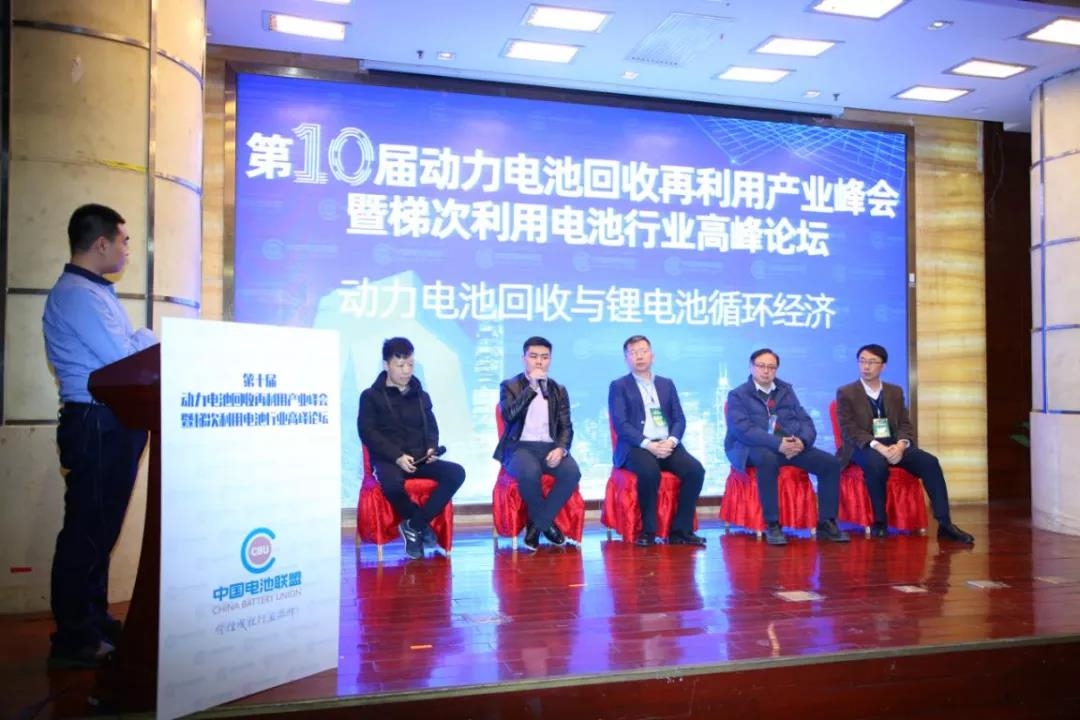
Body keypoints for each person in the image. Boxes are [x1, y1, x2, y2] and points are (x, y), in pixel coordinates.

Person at [42, 204, 159, 668]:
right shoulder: (77, 295)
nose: (129, 249)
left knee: (101, 529)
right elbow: (122, 356)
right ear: (101, 243)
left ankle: (93, 619)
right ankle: (74, 637)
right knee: (87, 532)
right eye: (125, 241)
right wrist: (144, 336)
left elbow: (128, 348)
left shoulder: (94, 292)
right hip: (94, 421)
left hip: (111, 420)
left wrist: (137, 339)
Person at [835, 344, 975, 544]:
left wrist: (901, 445)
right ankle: (880, 521)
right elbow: (849, 429)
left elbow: (904, 424)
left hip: (894, 445)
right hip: (863, 447)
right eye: (862, 361)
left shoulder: (894, 391)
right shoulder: (846, 392)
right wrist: (879, 447)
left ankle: (945, 524)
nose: (866, 366)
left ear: (883, 366)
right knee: (876, 463)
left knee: (929, 462)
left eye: (872, 362)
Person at [725, 348, 849, 546]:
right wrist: (778, 443)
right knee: (767, 459)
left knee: (830, 463)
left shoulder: (786, 390)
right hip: (751, 447)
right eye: (761, 366)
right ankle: (772, 523)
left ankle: (827, 522)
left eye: (771, 367)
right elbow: (743, 430)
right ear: (751, 367)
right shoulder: (738, 395)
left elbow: (804, 420)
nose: (766, 371)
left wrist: (802, 441)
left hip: (788, 446)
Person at [358, 337, 465, 559]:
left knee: (456, 473)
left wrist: (431, 448)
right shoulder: (370, 396)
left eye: (410, 364)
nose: (406, 371)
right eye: (400, 365)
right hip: (390, 460)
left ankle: (414, 525)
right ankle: (421, 527)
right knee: (391, 484)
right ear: (386, 365)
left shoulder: (420, 395)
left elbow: (432, 426)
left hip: (419, 459)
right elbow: (368, 433)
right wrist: (396, 456)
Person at [608, 335, 706, 547]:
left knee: (695, 471)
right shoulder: (619, 386)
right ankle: (648, 530)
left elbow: (679, 419)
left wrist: (671, 441)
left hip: (667, 443)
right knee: (649, 471)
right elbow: (621, 424)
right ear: (626, 359)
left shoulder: (666, 384)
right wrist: (648, 444)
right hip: (637, 446)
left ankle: (681, 531)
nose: (639, 356)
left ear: (652, 355)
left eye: (643, 351)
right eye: (633, 353)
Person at [494, 336, 581, 550]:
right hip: (519, 447)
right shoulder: (510, 385)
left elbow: (566, 426)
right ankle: (547, 525)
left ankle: (537, 524)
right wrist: (531, 388)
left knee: (572, 473)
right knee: (530, 472)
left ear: (550, 359)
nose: (539, 361)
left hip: (549, 447)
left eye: (544, 357)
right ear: (524, 358)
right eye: (533, 356)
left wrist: (561, 449)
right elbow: (509, 416)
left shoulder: (558, 389)